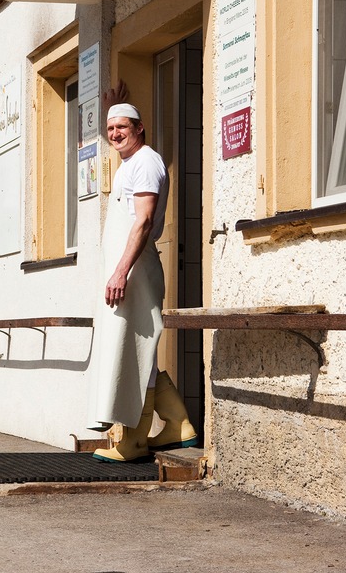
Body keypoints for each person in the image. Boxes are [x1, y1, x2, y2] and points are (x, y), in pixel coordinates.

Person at [87, 100, 194, 462]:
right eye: (111, 128)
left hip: (135, 270)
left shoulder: (146, 162)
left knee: (135, 350)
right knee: (134, 352)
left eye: (123, 127)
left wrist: (120, 271)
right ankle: (179, 424)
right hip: (127, 268)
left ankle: (134, 441)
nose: (115, 134)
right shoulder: (130, 163)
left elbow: (144, 221)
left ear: (140, 128)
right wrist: (115, 94)